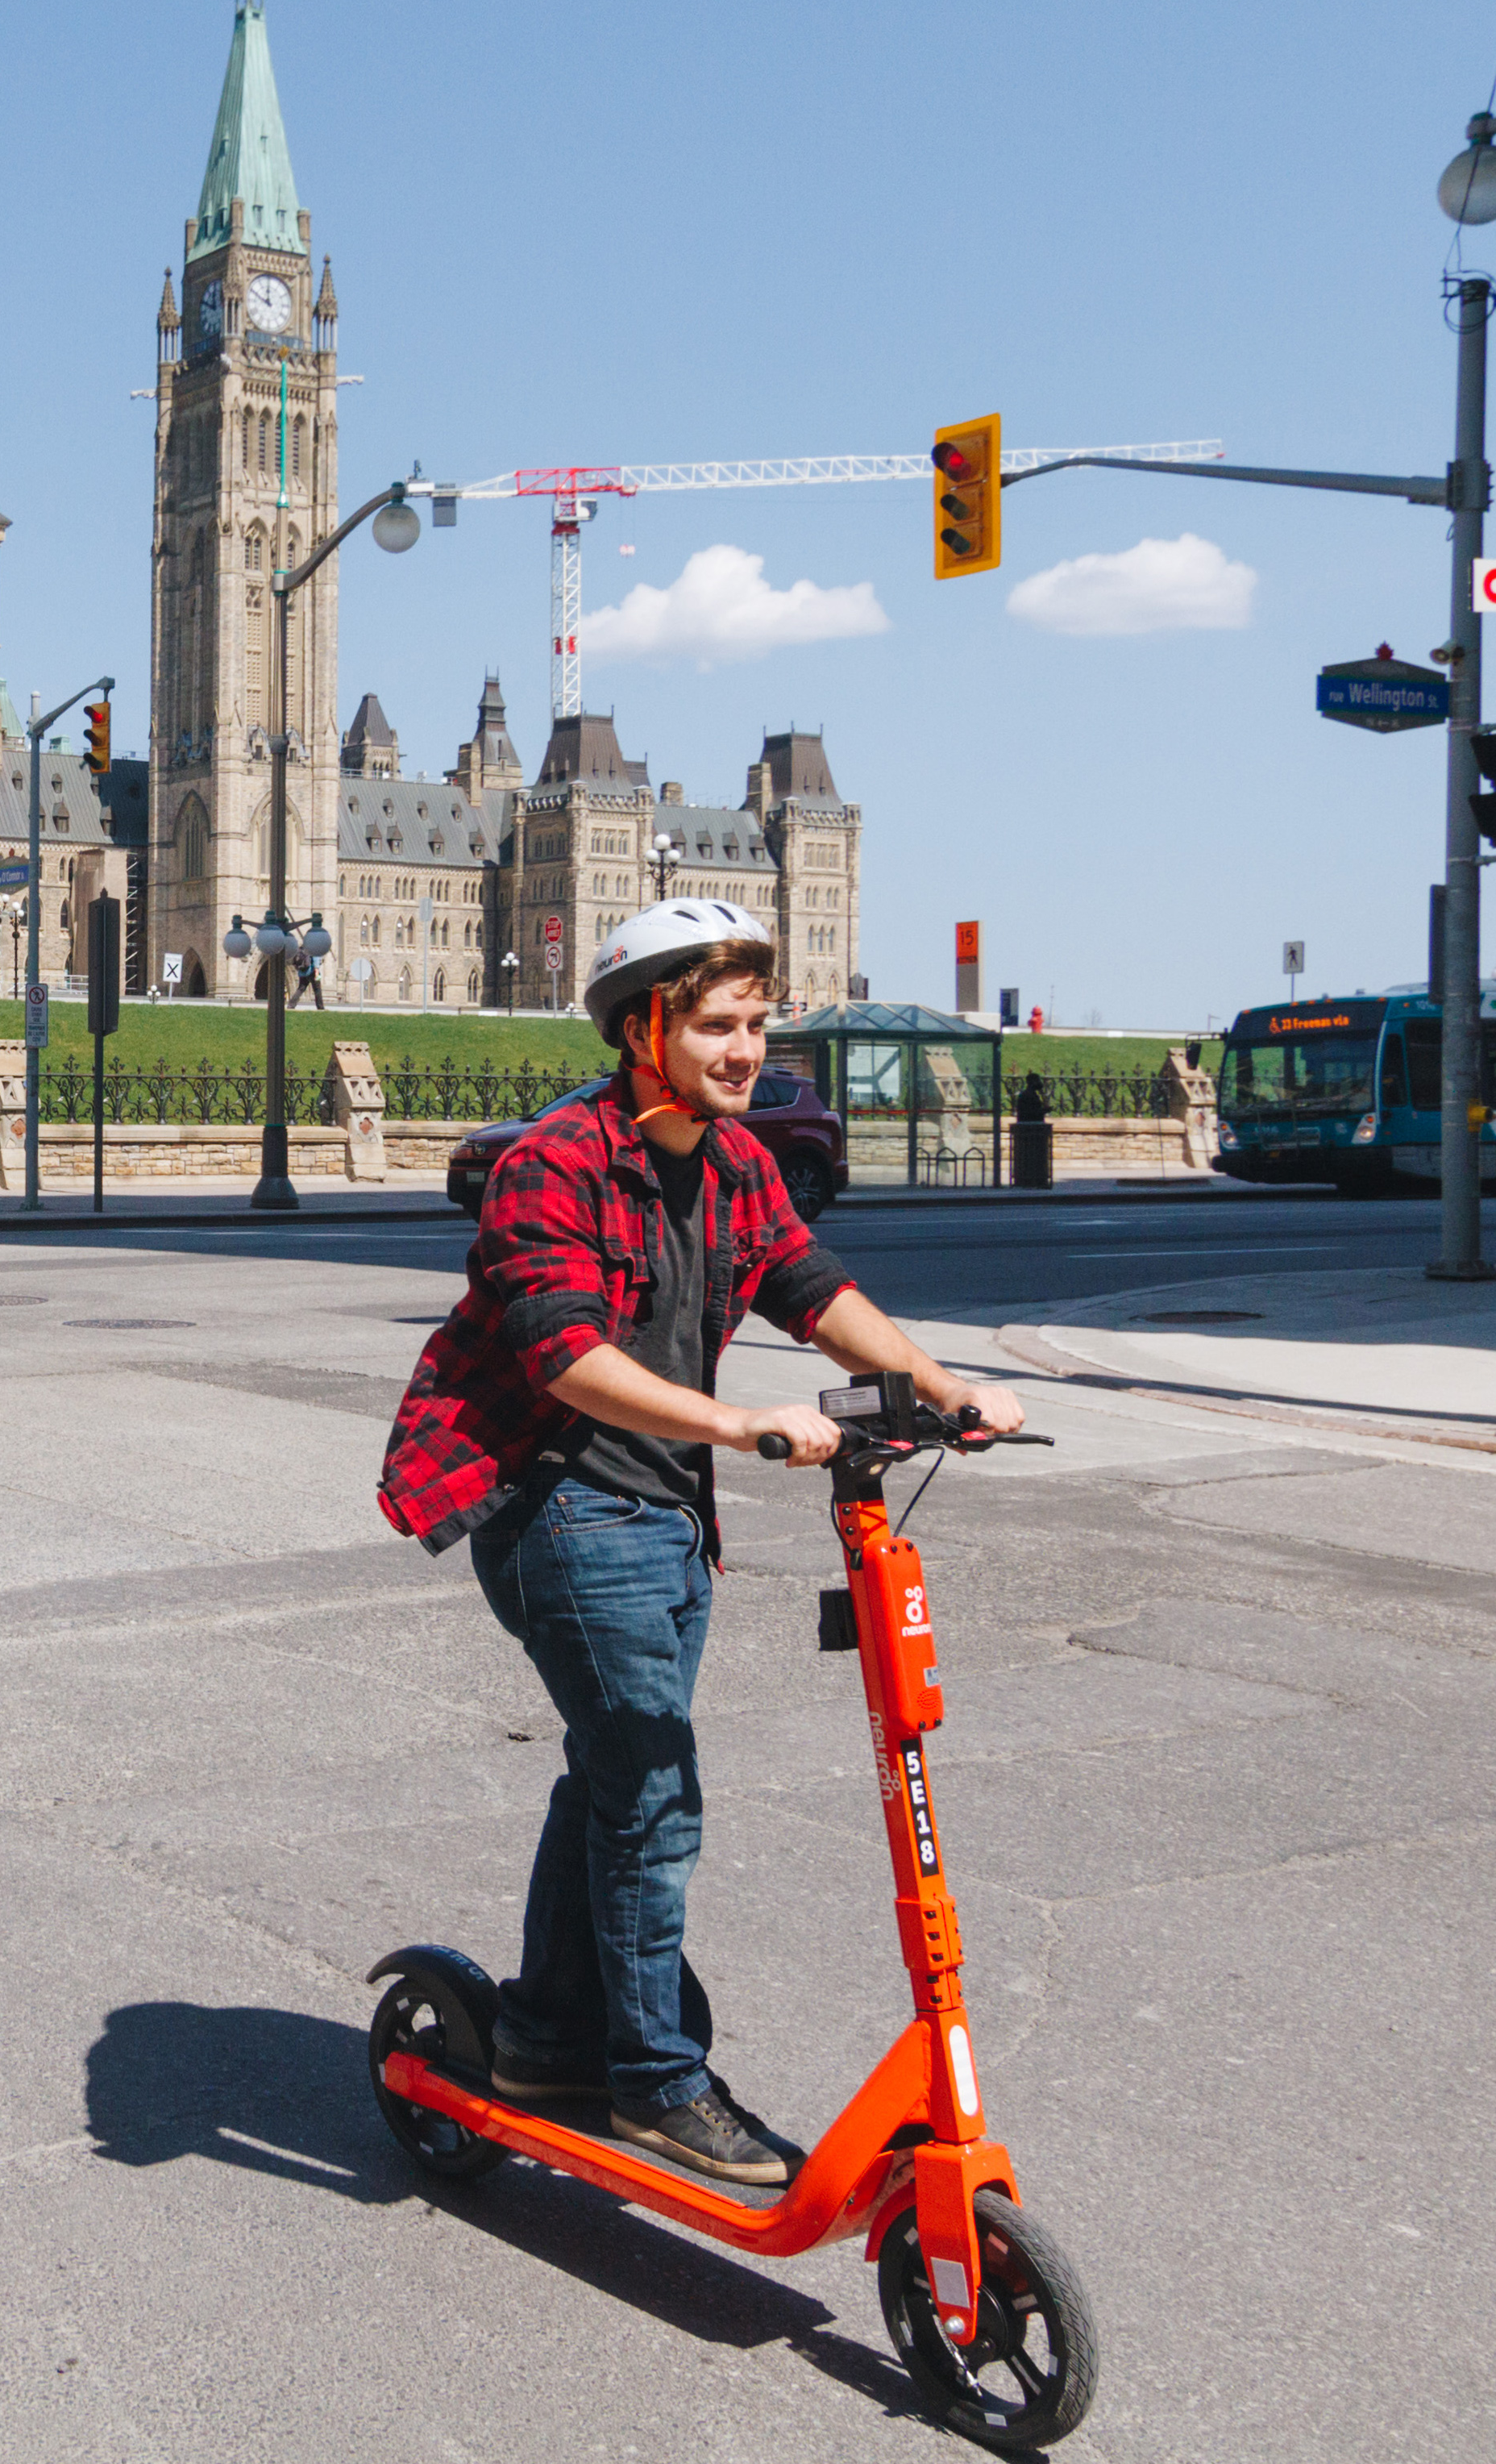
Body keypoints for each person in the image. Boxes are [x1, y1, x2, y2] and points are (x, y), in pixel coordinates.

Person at [378, 900, 1023, 2186]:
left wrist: (948, 1388)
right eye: (719, 1026)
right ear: (644, 1029)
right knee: (655, 1800)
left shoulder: (735, 1163)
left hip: (669, 1513)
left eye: (757, 1023)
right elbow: (567, 1358)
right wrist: (742, 1423)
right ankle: (653, 2083)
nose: (745, 1050)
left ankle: (553, 2034)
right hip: (560, 1503)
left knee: (612, 1776)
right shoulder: (550, 1165)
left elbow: (815, 1289)